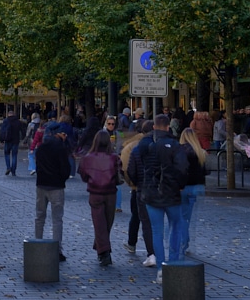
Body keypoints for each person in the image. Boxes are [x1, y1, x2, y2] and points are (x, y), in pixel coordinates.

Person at [136, 114, 187, 269]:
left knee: (156, 231)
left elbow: (137, 165)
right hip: (171, 193)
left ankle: (160, 268)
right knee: (176, 227)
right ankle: (173, 263)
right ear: (167, 127)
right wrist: (180, 185)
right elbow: (183, 169)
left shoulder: (146, 145)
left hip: (151, 192)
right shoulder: (175, 145)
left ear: (154, 127)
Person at [78, 131, 120, 266]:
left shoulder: (87, 158)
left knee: (100, 223)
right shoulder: (114, 158)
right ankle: (104, 251)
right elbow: (119, 175)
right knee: (107, 222)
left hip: (95, 192)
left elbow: (84, 176)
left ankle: (102, 249)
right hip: (110, 192)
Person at [33, 124, 71, 260]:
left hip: (42, 184)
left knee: (39, 216)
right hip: (56, 186)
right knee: (57, 219)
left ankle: (37, 244)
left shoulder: (41, 148)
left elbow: (37, 166)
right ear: (57, 134)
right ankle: (57, 249)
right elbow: (66, 168)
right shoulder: (60, 148)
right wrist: (62, 179)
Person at [121, 124, 155, 261]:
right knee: (152, 220)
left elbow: (127, 168)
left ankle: (132, 243)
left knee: (137, 216)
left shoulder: (132, 147)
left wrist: (132, 183)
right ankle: (153, 250)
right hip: (154, 187)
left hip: (138, 187)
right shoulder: (155, 144)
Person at [177, 127, 208, 255]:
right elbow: (204, 171)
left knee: (182, 217)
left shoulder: (180, 151)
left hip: (184, 187)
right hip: (197, 187)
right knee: (189, 217)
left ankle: (183, 242)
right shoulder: (200, 152)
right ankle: (186, 241)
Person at [0, 108, 24, 176]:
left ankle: (8, 167)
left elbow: (2, 131)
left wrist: (1, 140)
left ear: (8, 114)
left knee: (7, 154)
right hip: (16, 140)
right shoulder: (18, 121)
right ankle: (13, 170)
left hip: (7, 140)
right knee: (14, 155)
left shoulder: (6, 121)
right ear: (14, 114)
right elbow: (22, 131)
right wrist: (23, 139)